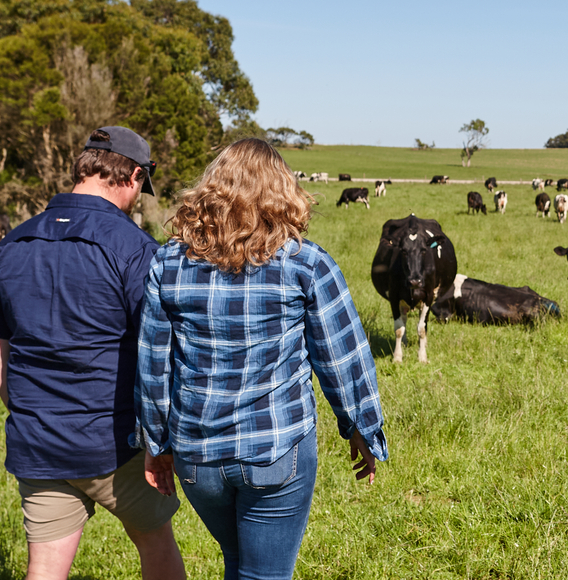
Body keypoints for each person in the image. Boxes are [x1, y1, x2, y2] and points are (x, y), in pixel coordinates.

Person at [137, 138, 387, 578]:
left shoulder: (168, 263)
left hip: (199, 456)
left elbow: (154, 364)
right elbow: (343, 357)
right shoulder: (306, 263)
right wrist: (362, 428)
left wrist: (156, 446)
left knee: (238, 562)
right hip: (276, 450)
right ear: (282, 191)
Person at [0, 126, 185, 580]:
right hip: (115, 444)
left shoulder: (11, 244)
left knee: (46, 568)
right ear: (132, 175)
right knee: (156, 545)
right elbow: (160, 346)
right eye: (139, 188)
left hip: (38, 440)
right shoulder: (135, 250)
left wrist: (19, 402)